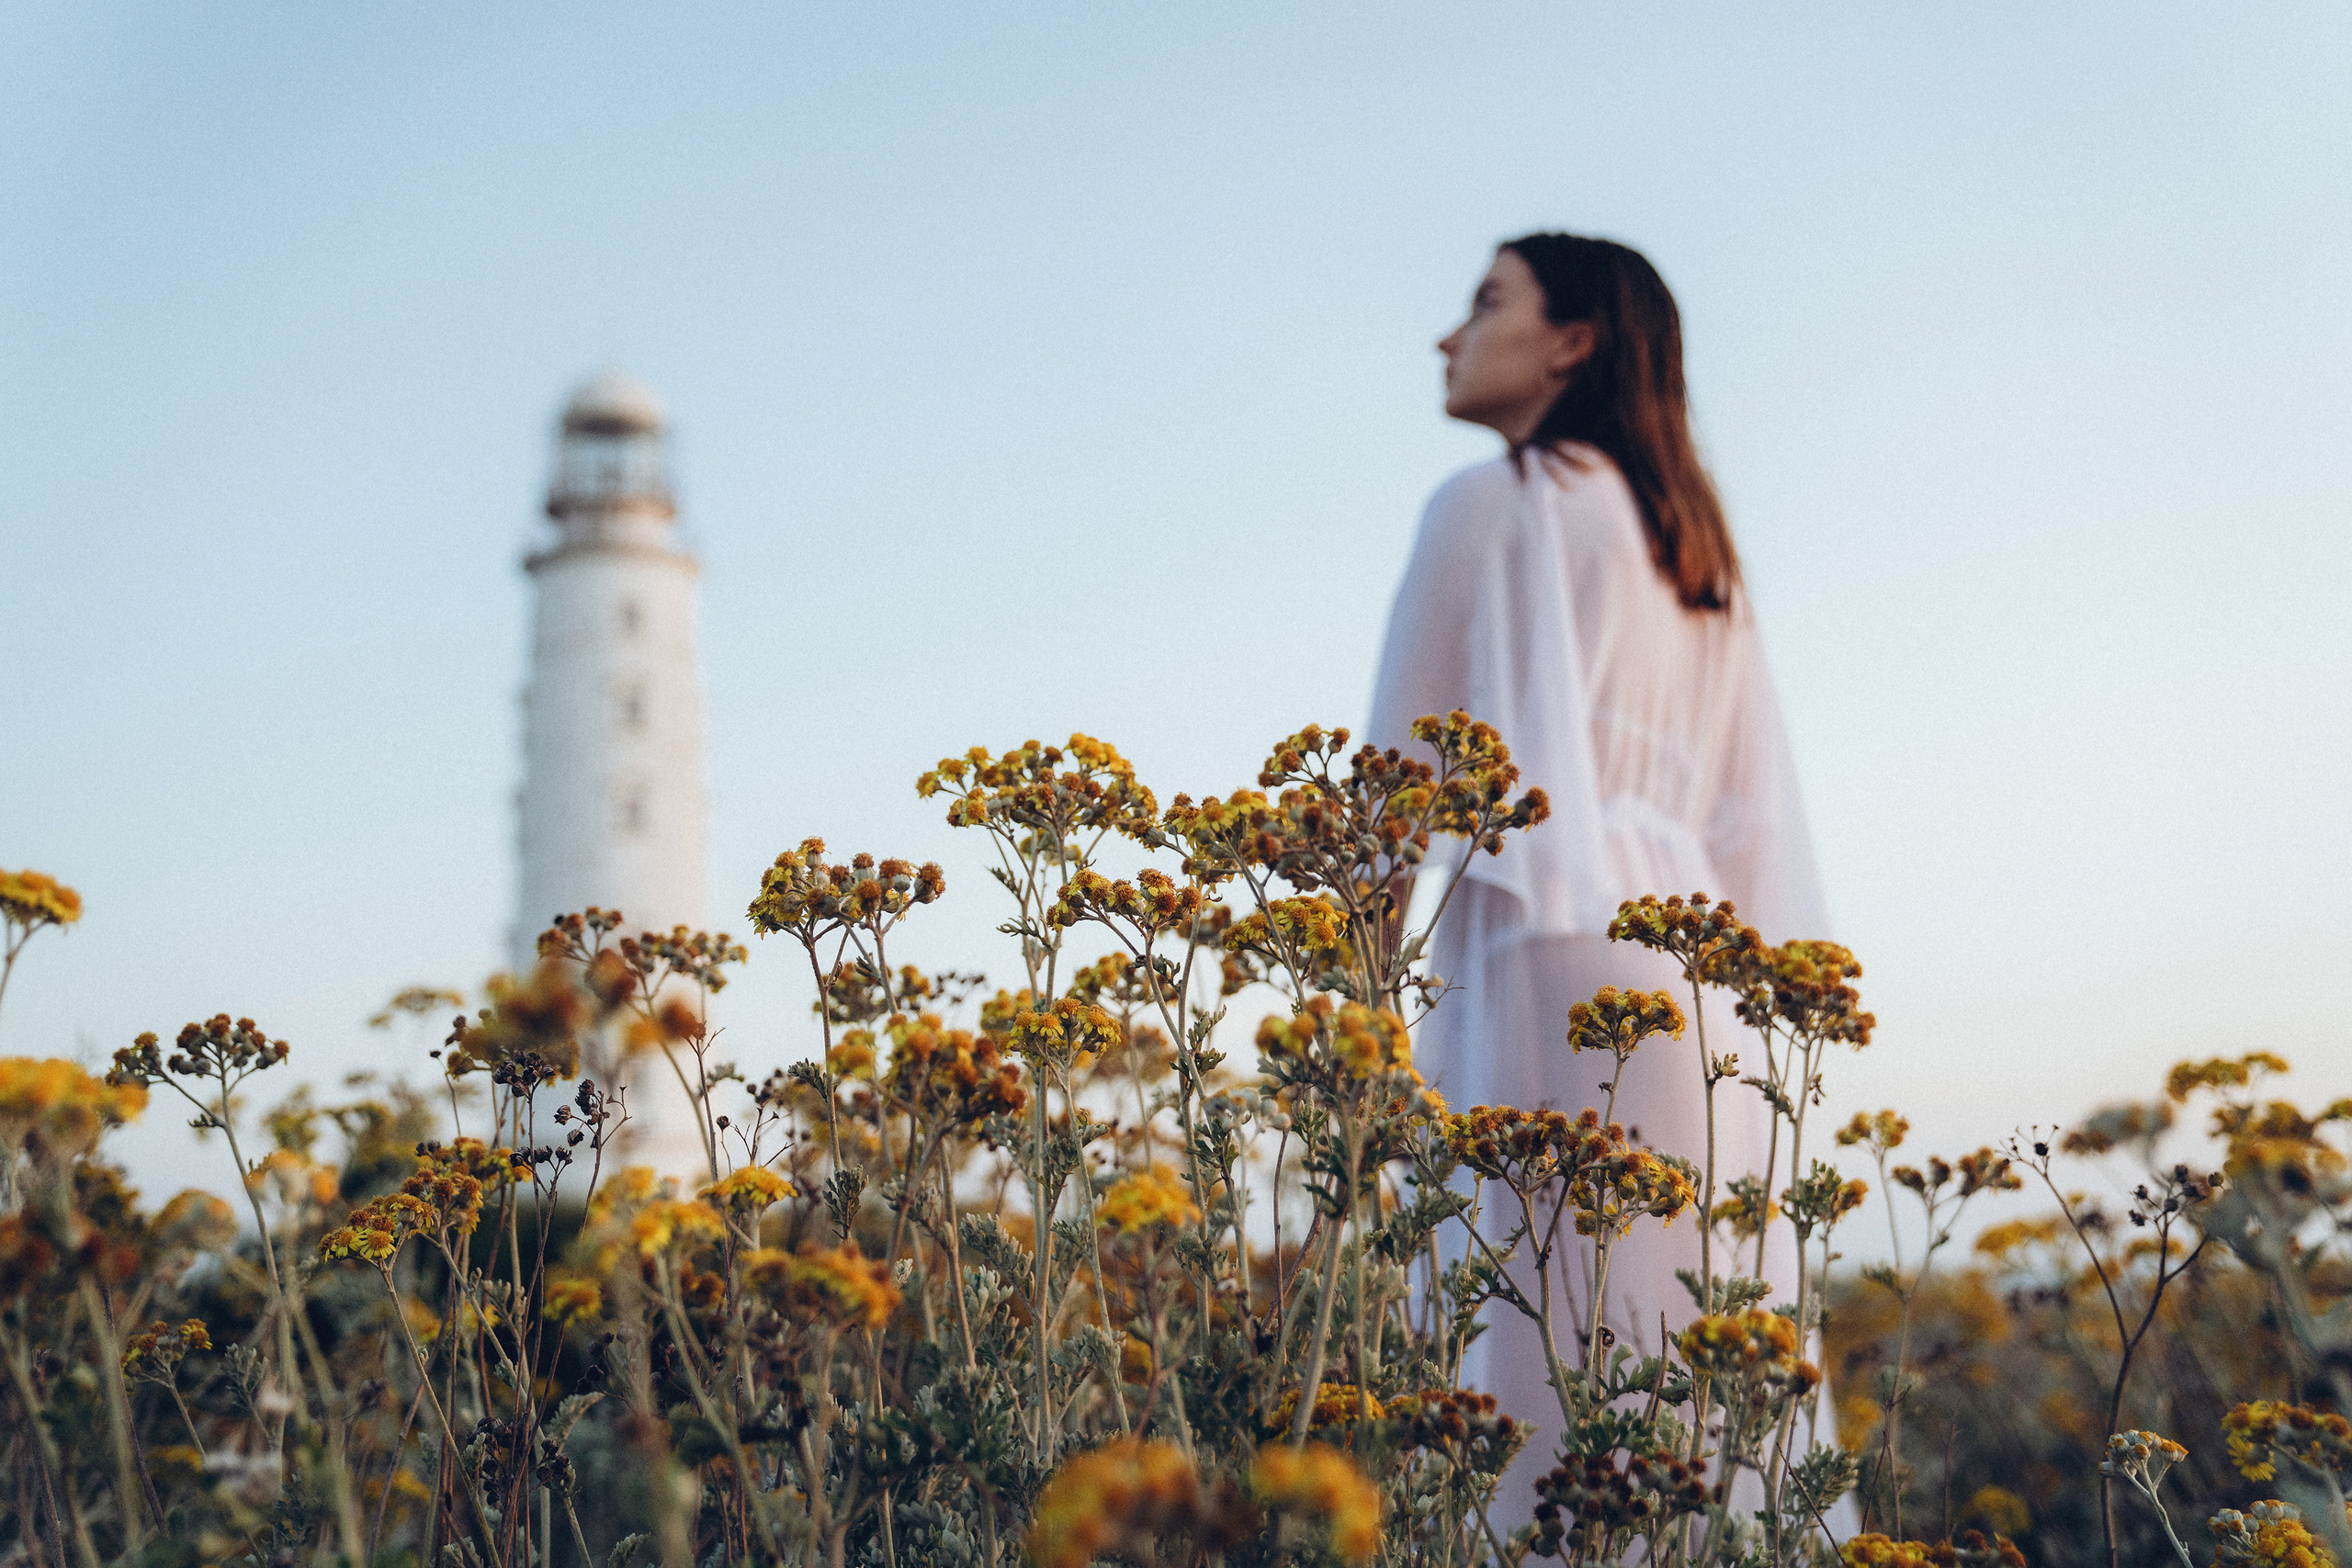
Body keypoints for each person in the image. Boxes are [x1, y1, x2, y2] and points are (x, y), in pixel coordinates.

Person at [1369, 233, 1831, 1522]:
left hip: (1547, 945)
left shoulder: (1491, 501)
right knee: (1687, 1357)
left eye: (1485, 302)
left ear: (1573, 342)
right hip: (1704, 992)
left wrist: (1349, 1030)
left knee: (1525, 1368)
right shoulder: (1700, 558)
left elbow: (1389, 794)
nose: (1449, 336)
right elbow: (1753, 836)